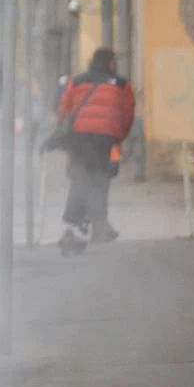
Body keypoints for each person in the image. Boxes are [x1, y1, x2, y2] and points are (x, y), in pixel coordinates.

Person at [54, 47, 135, 255]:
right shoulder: (122, 84)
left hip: (79, 139)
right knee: (103, 178)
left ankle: (73, 226)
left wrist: (64, 131)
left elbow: (64, 108)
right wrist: (119, 136)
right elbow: (127, 116)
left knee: (79, 178)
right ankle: (99, 226)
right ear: (111, 63)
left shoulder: (77, 81)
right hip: (109, 141)